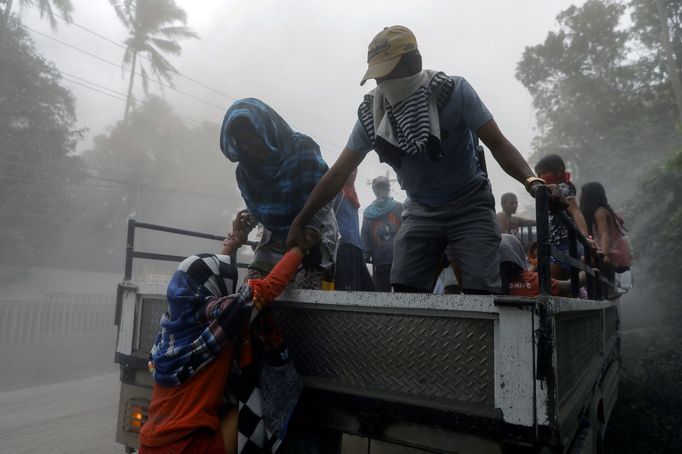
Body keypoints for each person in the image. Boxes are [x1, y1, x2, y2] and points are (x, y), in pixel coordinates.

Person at [286, 25, 562, 294]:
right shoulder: (373, 114)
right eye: (378, 78)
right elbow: (338, 174)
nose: (384, 84)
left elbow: (499, 144)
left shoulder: (454, 92)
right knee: (405, 289)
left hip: (470, 206)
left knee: (481, 292)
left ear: (414, 63)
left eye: (390, 74)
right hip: (420, 210)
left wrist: (532, 181)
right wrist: (302, 218)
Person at [139, 219, 319, 454]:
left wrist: (233, 243)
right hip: (191, 447)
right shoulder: (219, 322)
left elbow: (205, 276)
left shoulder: (169, 328)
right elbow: (266, 288)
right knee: (259, 400)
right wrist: (299, 249)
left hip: (149, 441)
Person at [220, 98, 338, 289]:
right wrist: (241, 231)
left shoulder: (301, 148)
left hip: (314, 227)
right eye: (242, 143)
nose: (250, 147)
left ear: (265, 129)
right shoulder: (246, 169)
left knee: (305, 292)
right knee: (251, 290)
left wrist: (311, 226)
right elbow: (260, 207)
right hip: (274, 234)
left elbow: (328, 192)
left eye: (253, 138)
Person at [534, 154, 589, 280]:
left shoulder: (561, 188)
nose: (540, 177)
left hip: (564, 241)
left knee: (552, 278)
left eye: (543, 173)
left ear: (558, 170)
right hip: (558, 241)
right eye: (538, 174)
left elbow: (575, 211)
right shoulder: (554, 192)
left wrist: (585, 237)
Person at [579, 182, 632, 292]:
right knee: (588, 259)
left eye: (582, 193)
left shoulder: (600, 212)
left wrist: (606, 254)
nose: (580, 196)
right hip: (614, 248)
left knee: (585, 260)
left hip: (613, 250)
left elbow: (605, 234)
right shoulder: (603, 210)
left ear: (589, 195)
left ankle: (604, 289)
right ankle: (607, 288)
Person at [499, 234, 584, 297]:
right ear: (519, 254)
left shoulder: (491, 282)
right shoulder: (531, 279)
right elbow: (569, 286)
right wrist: (585, 271)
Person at [333, 169, 375, 291]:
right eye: (349, 171)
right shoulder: (337, 190)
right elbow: (331, 214)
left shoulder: (351, 192)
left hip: (356, 245)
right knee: (347, 286)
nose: (352, 174)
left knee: (366, 287)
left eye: (354, 171)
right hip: (344, 243)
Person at [360, 175, 402, 291]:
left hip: (398, 260)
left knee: (401, 295)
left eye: (383, 187)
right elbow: (365, 236)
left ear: (388, 189)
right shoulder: (368, 213)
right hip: (379, 262)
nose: (380, 191)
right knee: (381, 295)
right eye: (378, 188)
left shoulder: (398, 207)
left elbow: (405, 231)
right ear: (374, 191)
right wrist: (365, 255)